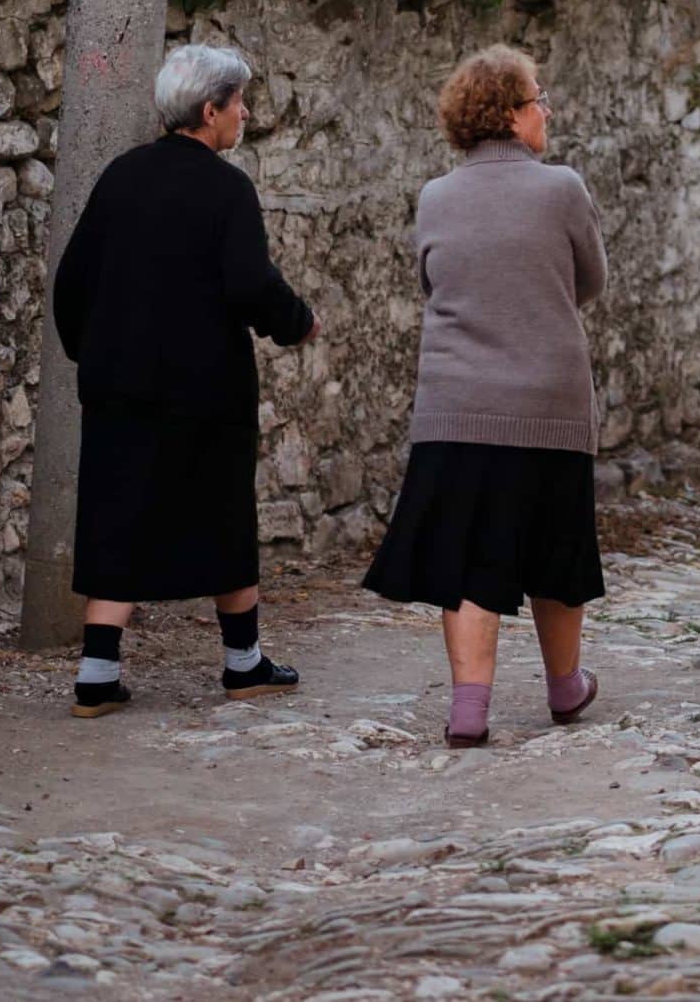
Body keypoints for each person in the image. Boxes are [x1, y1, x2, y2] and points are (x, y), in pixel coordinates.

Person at [50, 43, 318, 718]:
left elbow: (72, 281)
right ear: (210, 110)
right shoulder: (228, 189)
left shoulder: (120, 177)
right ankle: (243, 663)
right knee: (222, 516)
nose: (245, 113)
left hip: (119, 384)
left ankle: (97, 673)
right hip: (205, 388)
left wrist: (93, 353)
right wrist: (298, 323)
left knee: (116, 516)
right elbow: (251, 284)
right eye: (239, 102)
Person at [364, 45, 608, 747]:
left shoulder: (435, 197)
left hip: (456, 405)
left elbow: (432, 281)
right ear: (509, 112)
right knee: (557, 550)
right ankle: (565, 687)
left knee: (469, 558)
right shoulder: (562, 188)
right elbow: (589, 280)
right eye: (537, 97)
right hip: (547, 403)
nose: (546, 110)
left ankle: (469, 708)